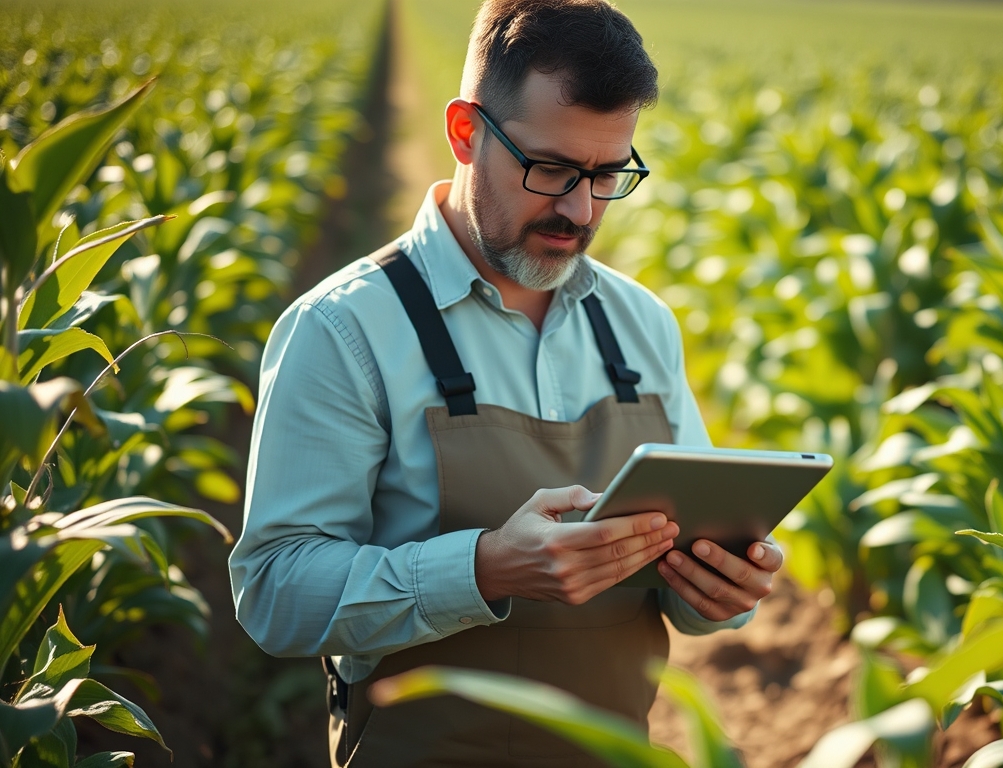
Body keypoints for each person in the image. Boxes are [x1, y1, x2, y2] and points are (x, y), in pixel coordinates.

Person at [227, 0, 784, 765]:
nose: (579, 210)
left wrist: (718, 591)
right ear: (465, 132)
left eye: (607, 175)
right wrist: (483, 567)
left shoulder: (643, 324)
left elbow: (690, 593)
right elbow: (274, 591)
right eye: (550, 169)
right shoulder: (342, 330)